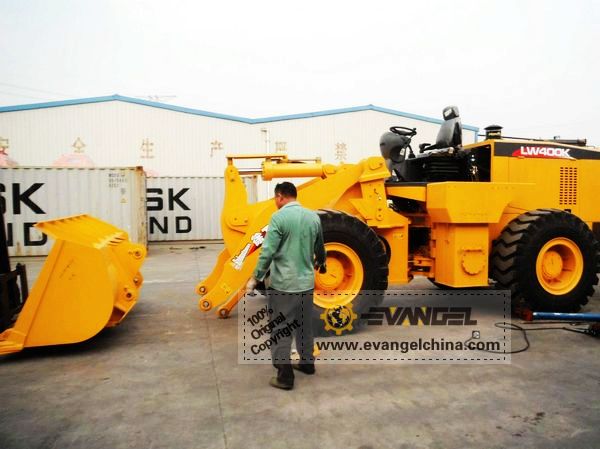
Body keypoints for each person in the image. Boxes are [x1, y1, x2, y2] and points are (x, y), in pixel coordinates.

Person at [246, 182, 326, 390]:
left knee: (281, 328)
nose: (275, 202)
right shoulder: (313, 217)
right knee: (304, 325)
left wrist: (256, 277)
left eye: (275, 198)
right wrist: (322, 262)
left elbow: (268, 252)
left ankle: (285, 375)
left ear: (280, 197)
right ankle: (307, 363)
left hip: (284, 285)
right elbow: (320, 247)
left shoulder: (278, 218)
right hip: (306, 284)